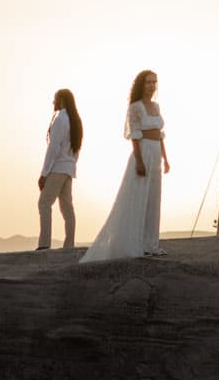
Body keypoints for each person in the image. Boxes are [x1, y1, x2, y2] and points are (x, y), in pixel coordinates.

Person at [79, 69, 171, 262]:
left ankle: (151, 244)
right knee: (139, 198)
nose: (152, 86)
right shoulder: (135, 107)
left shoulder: (156, 106)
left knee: (154, 199)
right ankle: (136, 244)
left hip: (156, 154)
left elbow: (160, 134)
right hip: (144, 152)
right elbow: (135, 136)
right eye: (148, 82)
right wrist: (139, 161)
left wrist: (165, 158)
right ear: (141, 84)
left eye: (154, 82)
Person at [36, 89, 84, 250]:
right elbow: (77, 150)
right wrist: (72, 165)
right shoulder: (75, 121)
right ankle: (69, 244)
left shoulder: (61, 120)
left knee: (44, 203)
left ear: (62, 100)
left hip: (58, 168)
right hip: (69, 168)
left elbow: (54, 148)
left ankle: (44, 245)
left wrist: (44, 173)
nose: (53, 102)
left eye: (55, 99)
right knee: (66, 207)